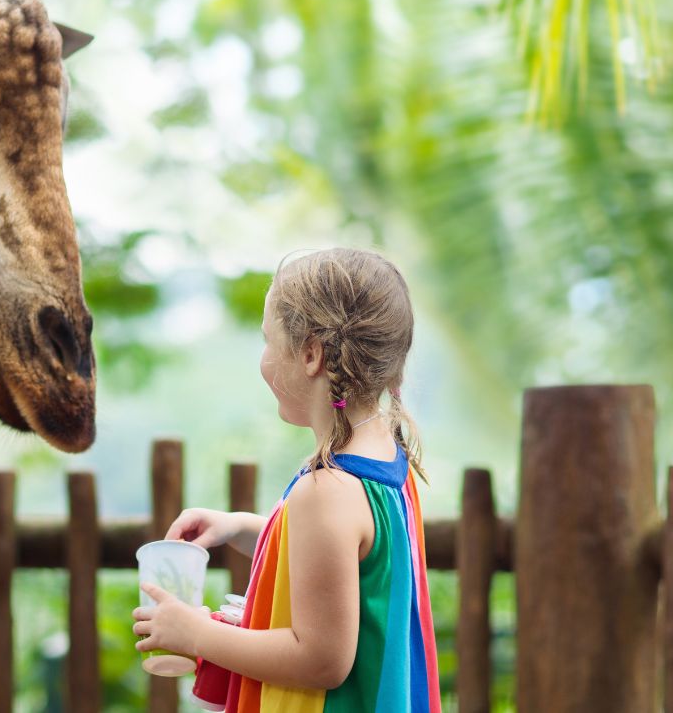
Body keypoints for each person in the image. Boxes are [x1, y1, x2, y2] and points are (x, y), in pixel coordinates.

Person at [131, 248, 441, 711]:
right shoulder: (384, 459)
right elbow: (344, 568)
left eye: (267, 340)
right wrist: (241, 527)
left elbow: (319, 659)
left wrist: (196, 632)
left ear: (311, 354)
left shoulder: (328, 489)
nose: (264, 357)